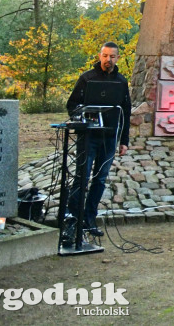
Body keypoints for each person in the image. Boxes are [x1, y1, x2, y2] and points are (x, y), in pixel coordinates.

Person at [63, 42, 131, 244]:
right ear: (99, 56)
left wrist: (124, 140)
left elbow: (125, 113)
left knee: (100, 179)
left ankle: (89, 219)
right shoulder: (86, 78)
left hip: (109, 138)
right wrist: (84, 115)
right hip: (88, 137)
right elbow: (71, 105)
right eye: (105, 56)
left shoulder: (121, 81)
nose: (108, 60)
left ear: (117, 58)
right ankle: (72, 219)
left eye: (112, 56)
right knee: (81, 178)